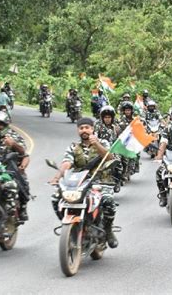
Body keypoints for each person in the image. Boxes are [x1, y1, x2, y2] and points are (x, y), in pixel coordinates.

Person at [49, 117, 118, 248]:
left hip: (99, 180)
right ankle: (69, 225)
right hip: (78, 181)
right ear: (78, 131)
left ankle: (108, 230)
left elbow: (110, 157)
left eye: (87, 127)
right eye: (81, 128)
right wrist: (57, 177)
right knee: (55, 198)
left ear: (92, 129)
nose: (84, 130)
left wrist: (97, 144)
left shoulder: (103, 142)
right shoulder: (73, 147)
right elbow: (67, 163)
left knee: (108, 201)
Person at [0, 111, 31, 221]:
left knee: (21, 184)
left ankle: (22, 209)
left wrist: (13, 144)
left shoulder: (14, 136)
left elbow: (24, 153)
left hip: (10, 170)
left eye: (0, 124)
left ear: (5, 125)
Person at [118, 101, 140, 176]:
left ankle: (134, 166)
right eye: (126, 110)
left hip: (133, 140)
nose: (127, 112)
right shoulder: (120, 120)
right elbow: (117, 129)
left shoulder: (135, 120)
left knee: (136, 154)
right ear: (123, 111)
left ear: (131, 111)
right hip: (123, 140)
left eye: (129, 110)